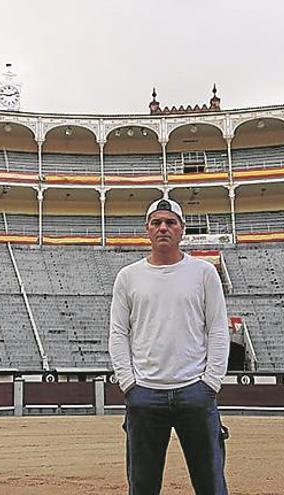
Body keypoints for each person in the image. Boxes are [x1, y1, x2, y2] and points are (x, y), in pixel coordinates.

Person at [109, 197, 230, 495]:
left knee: (211, 484)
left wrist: (211, 382)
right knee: (142, 486)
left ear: (182, 229)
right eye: (157, 223)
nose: (163, 227)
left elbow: (216, 328)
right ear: (147, 230)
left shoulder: (204, 273)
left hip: (195, 392)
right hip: (145, 394)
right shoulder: (128, 277)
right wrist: (129, 383)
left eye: (170, 222)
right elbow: (118, 333)